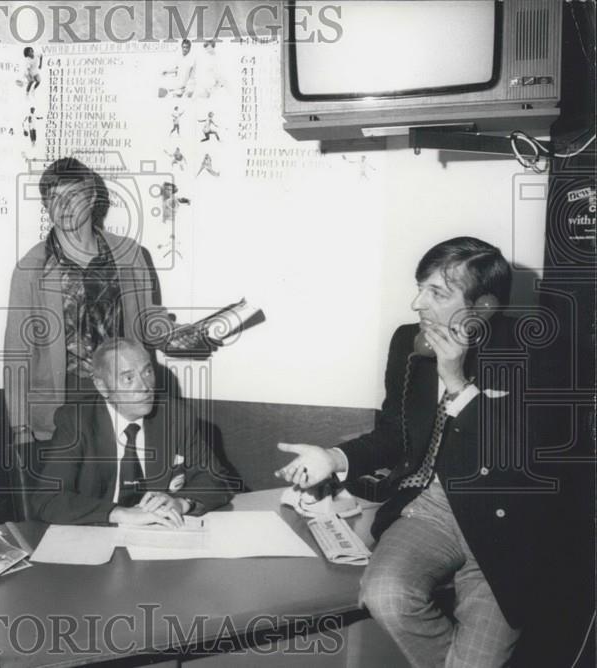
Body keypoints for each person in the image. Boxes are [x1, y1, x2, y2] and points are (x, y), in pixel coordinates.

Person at [275, 237, 540, 667]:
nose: (418, 303)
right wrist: (333, 458)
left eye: (437, 293)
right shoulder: (406, 343)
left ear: (484, 307)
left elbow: (516, 458)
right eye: (421, 287)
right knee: (384, 594)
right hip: (429, 508)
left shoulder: (532, 350)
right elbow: (395, 433)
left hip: (502, 520)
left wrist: (457, 380)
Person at [4, 157, 207, 447]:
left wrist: (177, 335)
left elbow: (147, 318)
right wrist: (20, 427)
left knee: (123, 484)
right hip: (64, 400)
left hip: (123, 389)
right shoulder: (31, 267)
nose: (62, 206)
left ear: (93, 198)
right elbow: (16, 352)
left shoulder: (129, 254)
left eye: (72, 195)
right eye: (53, 198)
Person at [31, 338, 232, 525]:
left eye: (147, 372)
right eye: (128, 378)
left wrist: (181, 502)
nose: (145, 387)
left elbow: (217, 478)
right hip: (98, 537)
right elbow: (49, 499)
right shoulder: (76, 421)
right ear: (102, 386)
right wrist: (121, 513)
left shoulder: (175, 415)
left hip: (159, 536)